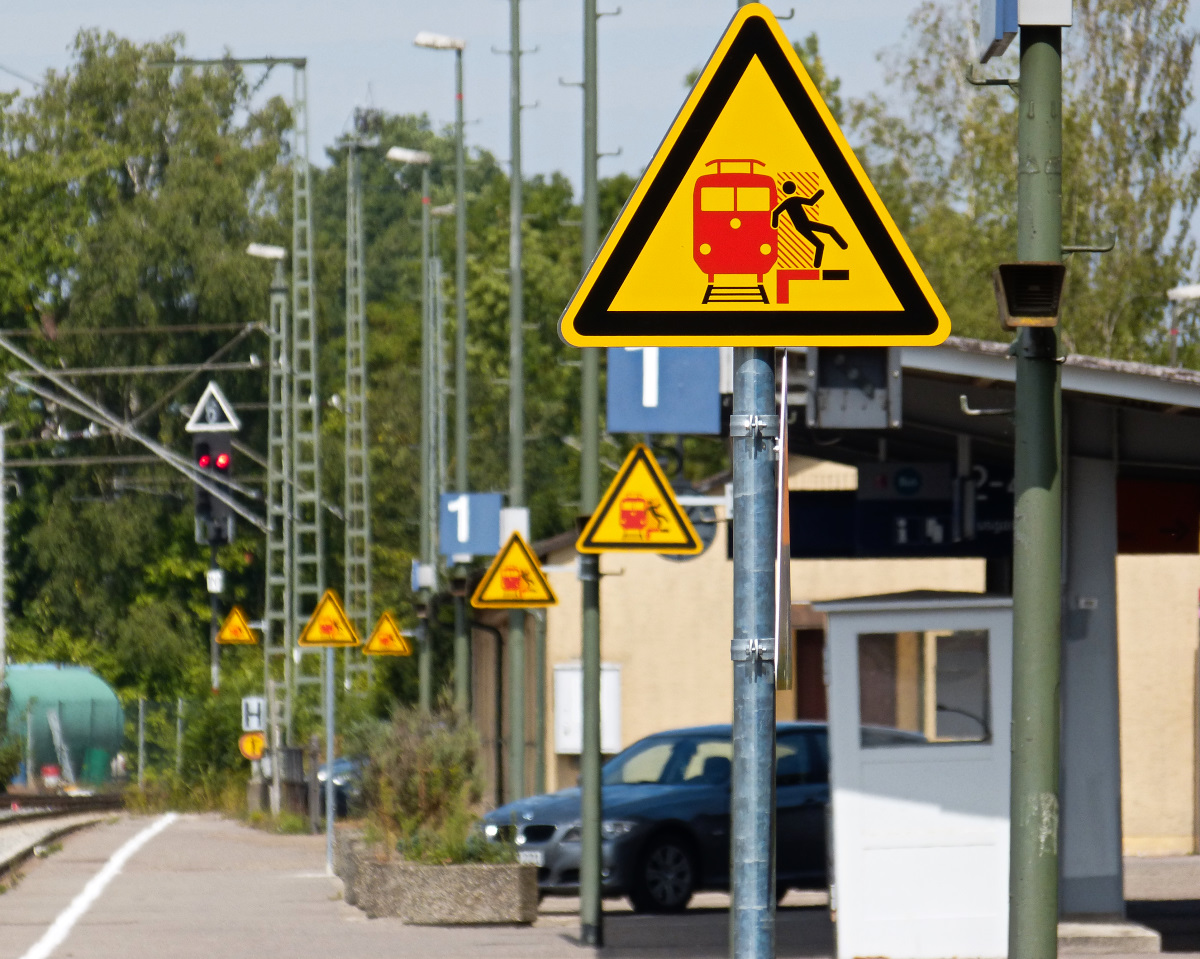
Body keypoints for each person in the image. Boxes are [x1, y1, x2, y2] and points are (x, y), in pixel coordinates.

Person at [771, 182, 848, 268]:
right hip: (804, 225)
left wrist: (775, 224)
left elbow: (775, 212)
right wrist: (820, 192)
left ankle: (843, 248)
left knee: (821, 242)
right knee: (828, 232)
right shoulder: (793, 200)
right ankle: (844, 247)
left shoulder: (788, 201)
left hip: (801, 226)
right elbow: (811, 202)